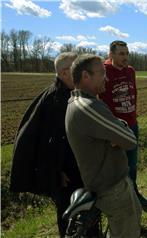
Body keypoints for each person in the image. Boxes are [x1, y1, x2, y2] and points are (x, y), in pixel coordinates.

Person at [9, 52, 91, 237]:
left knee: (86, 216)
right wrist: (55, 173)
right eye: (76, 67)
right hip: (66, 177)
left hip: (79, 169)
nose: (82, 71)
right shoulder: (55, 100)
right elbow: (46, 143)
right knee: (69, 220)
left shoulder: (73, 93)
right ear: (63, 73)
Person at [65, 54, 142, 238]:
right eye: (102, 73)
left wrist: (117, 131)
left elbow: (119, 130)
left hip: (111, 184)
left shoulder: (81, 102)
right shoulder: (89, 106)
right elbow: (130, 140)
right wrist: (117, 132)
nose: (106, 78)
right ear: (85, 76)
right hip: (112, 188)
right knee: (126, 233)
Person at [99, 40, 147, 206]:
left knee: (132, 165)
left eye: (127, 53)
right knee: (116, 167)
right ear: (111, 55)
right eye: (121, 53)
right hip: (114, 127)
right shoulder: (103, 71)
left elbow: (133, 92)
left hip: (132, 124)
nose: (125, 57)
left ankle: (133, 193)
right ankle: (118, 199)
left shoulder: (130, 71)